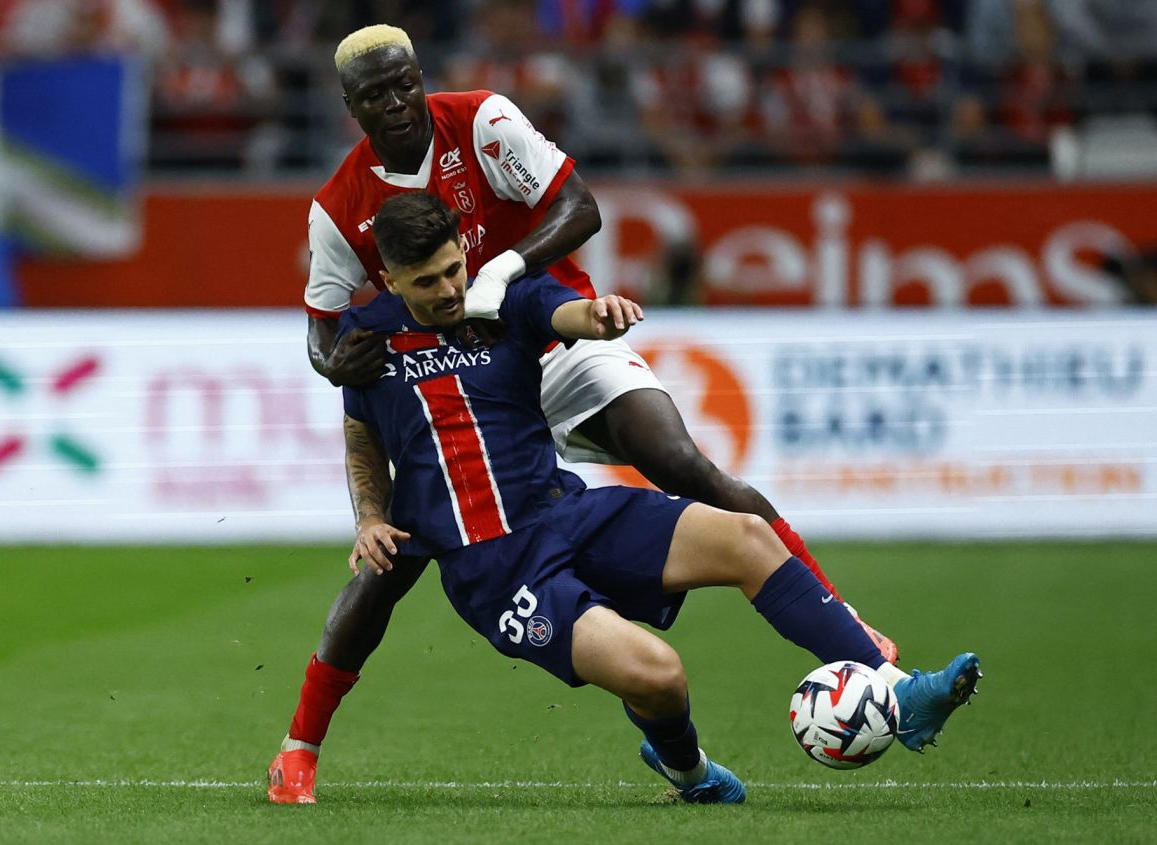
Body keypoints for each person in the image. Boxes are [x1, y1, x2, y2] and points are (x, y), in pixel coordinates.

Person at [275, 22, 897, 803]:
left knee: (679, 461)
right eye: (376, 95)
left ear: (421, 76)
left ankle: (851, 627)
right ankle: (300, 745)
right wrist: (337, 365)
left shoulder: (483, 122)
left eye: (406, 83)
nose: (398, 102)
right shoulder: (340, 212)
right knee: (391, 558)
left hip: (538, 325)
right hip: (454, 391)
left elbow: (579, 206)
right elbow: (323, 335)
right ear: (350, 108)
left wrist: (515, 280)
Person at [268, 192, 982, 805]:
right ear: (390, 277)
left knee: (746, 536)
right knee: (661, 677)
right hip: (499, 571)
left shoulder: (500, 297)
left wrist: (598, 315)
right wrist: (369, 516)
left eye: (455, 267)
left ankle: (899, 691)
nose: (450, 290)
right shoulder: (369, 338)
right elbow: (362, 434)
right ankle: (690, 769)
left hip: (567, 512)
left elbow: (565, 314)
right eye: (428, 281)